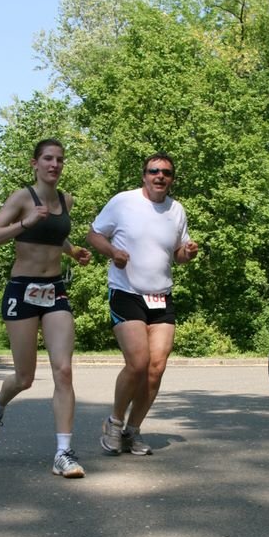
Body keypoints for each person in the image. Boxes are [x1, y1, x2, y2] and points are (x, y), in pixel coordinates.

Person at [0, 138, 91, 478]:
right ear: (35, 163)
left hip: (54, 291)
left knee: (63, 369)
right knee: (25, 377)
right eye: (47, 159)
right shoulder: (21, 198)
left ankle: (63, 452)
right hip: (22, 290)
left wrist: (73, 252)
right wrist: (26, 222)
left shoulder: (66, 200)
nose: (54, 165)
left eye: (59, 159)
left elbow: (56, 235)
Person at [86, 153, 198, 456]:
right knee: (137, 363)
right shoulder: (124, 201)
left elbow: (178, 254)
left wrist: (188, 253)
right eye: (154, 171)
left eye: (167, 173)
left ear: (172, 179)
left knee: (156, 367)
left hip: (161, 296)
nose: (160, 176)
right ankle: (114, 422)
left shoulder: (176, 210)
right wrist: (112, 252)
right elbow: (93, 234)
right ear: (144, 175)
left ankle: (132, 431)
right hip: (126, 292)